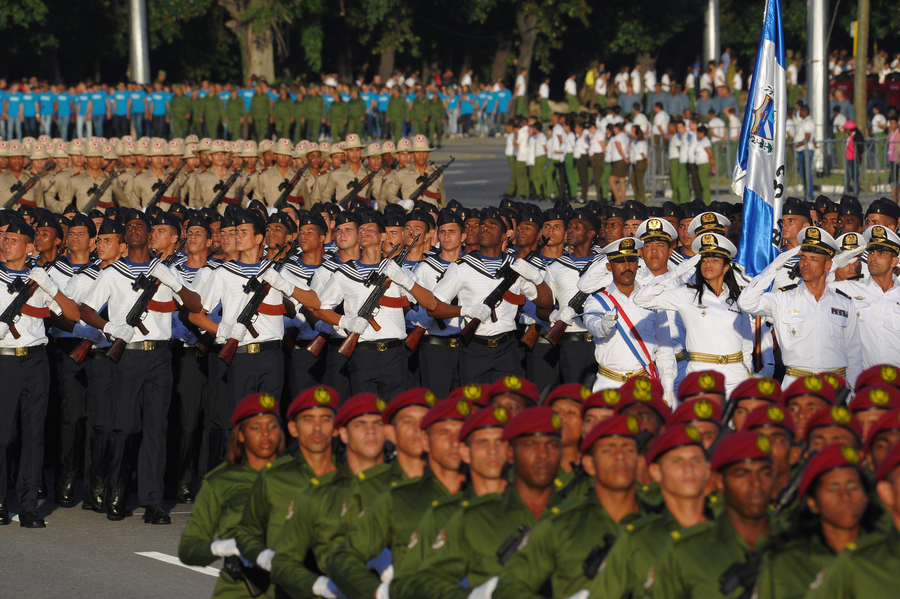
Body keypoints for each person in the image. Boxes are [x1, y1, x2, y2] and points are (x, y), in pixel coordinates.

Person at [79, 210, 201, 524]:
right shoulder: (112, 272)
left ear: (149, 236)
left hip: (159, 356)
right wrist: (109, 328)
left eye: (140, 226)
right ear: (125, 237)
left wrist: (173, 281)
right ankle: (117, 490)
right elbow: (86, 309)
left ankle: (152, 501)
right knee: (125, 427)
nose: (134, 229)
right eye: (130, 226)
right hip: (128, 356)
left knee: (156, 429)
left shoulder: (165, 271)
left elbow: (195, 305)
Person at [400, 406, 563, 598]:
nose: (493, 451)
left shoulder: (564, 509)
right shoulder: (455, 515)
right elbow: (413, 582)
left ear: (509, 450)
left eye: (499, 442)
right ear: (465, 452)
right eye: (483, 442)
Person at [493, 414, 648, 599]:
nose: (620, 456)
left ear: (639, 462)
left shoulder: (658, 524)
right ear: (589, 465)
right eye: (608, 450)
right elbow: (508, 588)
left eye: (628, 449)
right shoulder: (562, 525)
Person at [328, 395, 467, 599]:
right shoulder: (388, 495)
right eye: (408, 421)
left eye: (424, 421)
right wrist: (378, 591)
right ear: (391, 433)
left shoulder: (486, 491)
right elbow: (341, 556)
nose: (418, 428)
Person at [0, 217, 81, 528]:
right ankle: (1, 500)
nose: (7, 244)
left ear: (29, 248)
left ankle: (28, 506)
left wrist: (51, 287)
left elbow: (72, 314)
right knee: (4, 436)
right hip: (5, 361)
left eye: (14, 240)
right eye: (5, 239)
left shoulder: (39, 278)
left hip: (35, 361)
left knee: (34, 435)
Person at [270, 393, 387, 599]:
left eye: (378, 423)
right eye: (360, 424)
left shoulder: (405, 492)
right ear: (343, 433)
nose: (371, 431)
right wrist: (320, 586)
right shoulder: (318, 496)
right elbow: (283, 564)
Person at [578, 424, 711, 599]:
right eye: (677, 460)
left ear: (708, 469)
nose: (688, 467)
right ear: (656, 472)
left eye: (696, 460)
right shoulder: (637, 540)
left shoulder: (729, 531)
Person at [177, 393, 286, 598]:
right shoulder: (220, 482)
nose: (266, 434)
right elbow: (188, 549)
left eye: (272, 426)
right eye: (256, 427)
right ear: (241, 435)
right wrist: (224, 547)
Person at [426, 208, 553, 383]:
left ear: (504, 236)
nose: (485, 228)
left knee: (507, 398)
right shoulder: (462, 267)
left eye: (493, 225)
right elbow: (433, 307)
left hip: (507, 349)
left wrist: (537, 279)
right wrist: (466, 310)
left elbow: (545, 304)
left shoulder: (515, 267)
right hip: (474, 348)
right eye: (483, 225)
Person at [646, 431, 773, 598]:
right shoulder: (686, 551)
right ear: (719, 481)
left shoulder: (797, 543)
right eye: (742, 474)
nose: (756, 483)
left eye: (765, 473)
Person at [234, 386, 341, 580]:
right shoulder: (273, 479)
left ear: (336, 428)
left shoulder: (352, 482)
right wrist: (264, 558)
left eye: (326, 419)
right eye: (308, 419)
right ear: (293, 428)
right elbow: (246, 533)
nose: (317, 428)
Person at [738, 226, 863, 388]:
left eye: (814, 259)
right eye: (803, 258)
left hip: (834, 386)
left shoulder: (844, 303)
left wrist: (853, 391)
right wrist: (773, 268)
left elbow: (854, 353)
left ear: (828, 266)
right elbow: (746, 302)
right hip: (796, 384)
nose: (805, 264)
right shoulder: (783, 298)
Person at [634, 232, 752, 395]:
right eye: (704, 260)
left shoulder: (737, 299)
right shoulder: (687, 294)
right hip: (701, 375)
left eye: (714, 260)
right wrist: (675, 272)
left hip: (736, 376)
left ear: (726, 267)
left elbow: (746, 343)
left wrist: (748, 373)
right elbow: (641, 299)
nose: (708, 264)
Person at [756, 443, 876, 599]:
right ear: (813, 503)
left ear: (865, 496)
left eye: (853, 487)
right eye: (833, 488)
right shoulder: (786, 563)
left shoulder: (886, 554)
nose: (845, 496)